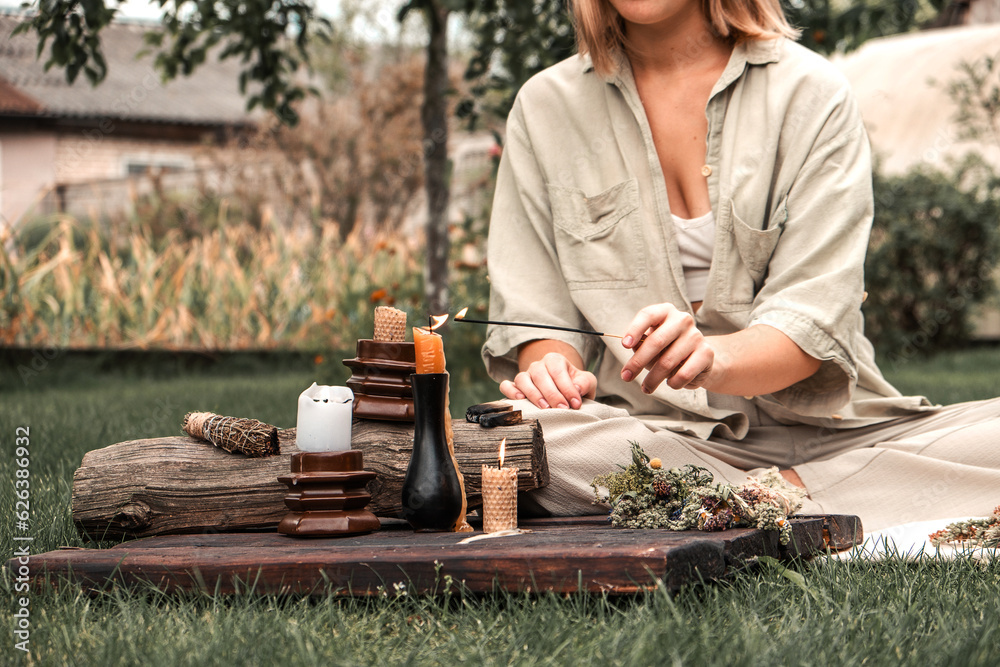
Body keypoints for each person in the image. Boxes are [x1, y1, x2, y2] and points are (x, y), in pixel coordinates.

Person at [481, 0, 1000, 531]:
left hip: (832, 431)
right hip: (647, 433)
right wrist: (551, 373)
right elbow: (537, 315)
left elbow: (808, 326)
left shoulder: (810, 93)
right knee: (510, 441)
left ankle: (766, 497)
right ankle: (816, 497)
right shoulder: (545, 106)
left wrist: (709, 358)